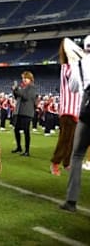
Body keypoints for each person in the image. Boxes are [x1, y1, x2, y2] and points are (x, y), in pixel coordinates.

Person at [59, 34, 90, 212]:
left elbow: (73, 87)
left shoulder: (80, 63)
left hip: (87, 111)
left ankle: (71, 201)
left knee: (77, 155)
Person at [51, 40, 81, 175]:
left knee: (74, 140)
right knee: (65, 139)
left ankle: (67, 162)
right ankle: (55, 162)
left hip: (77, 110)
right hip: (68, 111)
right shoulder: (67, 68)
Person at [11, 71, 36, 157]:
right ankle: (19, 147)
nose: (23, 80)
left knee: (26, 131)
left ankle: (27, 150)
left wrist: (17, 89)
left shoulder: (32, 87)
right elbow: (18, 96)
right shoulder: (24, 87)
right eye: (23, 78)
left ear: (30, 78)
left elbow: (25, 97)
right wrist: (15, 91)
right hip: (19, 112)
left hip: (27, 112)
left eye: (25, 78)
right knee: (16, 129)